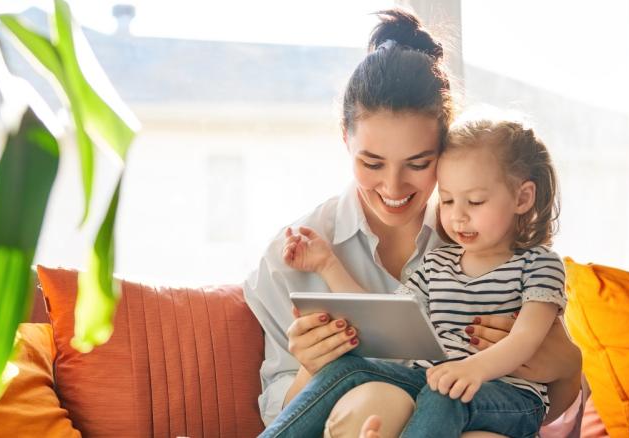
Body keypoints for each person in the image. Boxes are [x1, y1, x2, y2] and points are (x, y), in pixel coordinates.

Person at [243, 9, 582, 438]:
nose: (393, 185)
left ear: (445, 147)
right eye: (371, 162)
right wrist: (311, 366)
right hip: (366, 411)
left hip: (482, 413)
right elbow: (284, 410)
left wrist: (568, 367)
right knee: (374, 399)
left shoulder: (485, 237)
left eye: (419, 163)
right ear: (345, 139)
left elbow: (547, 407)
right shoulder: (291, 256)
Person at [266, 115, 566, 437]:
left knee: (445, 392)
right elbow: (385, 317)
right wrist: (328, 264)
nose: (458, 216)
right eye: (448, 200)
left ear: (522, 198)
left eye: (475, 201)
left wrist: (471, 369)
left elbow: (525, 339)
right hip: (438, 382)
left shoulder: (540, 264)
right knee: (347, 369)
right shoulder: (437, 263)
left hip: (513, 399)